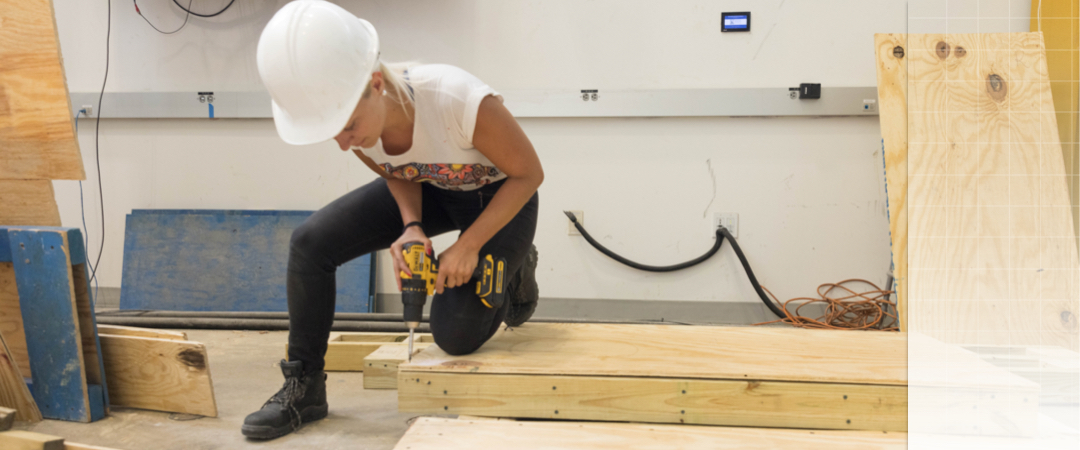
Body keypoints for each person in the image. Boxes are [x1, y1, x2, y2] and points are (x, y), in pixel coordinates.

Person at [242, 0, 543, 440]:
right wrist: (412, 226)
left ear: (376, 83)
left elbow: (529, 174)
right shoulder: (357, 122)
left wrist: (469, 245)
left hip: (500, 198)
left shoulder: (459, 100)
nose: (345, 145)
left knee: (454, 336)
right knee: (310, 244)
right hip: (435, 188)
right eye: (334, 133)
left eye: (348, 127)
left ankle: (517, 276)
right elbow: (396, 170)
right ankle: (304, 386)